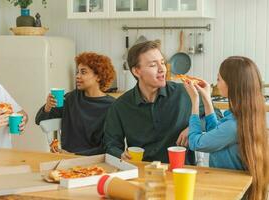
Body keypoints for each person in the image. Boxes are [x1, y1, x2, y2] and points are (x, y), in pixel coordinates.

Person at [103, 40, 214, 163]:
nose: (162, 69)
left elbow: (215, 117)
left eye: (162, 62)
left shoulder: (186, 93)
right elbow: (111, 145)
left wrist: (193, 128)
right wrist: (121, 155)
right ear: (136, 71)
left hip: (181, 173)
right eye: (153, 65)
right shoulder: (120, 106)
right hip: (142, 173)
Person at [185, 56, 269, 200]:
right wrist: (207, 99)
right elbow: (216, 133)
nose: (216, 84)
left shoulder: (233, 126)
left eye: (218, 79)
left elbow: (195, 142)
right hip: (234, 188)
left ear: (231, 85)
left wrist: (194, 102)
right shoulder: (245, 117)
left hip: (230, 192)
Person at [35, 52, 116, 155]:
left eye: (83, 72)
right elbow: (39, 120)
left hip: (96, 161)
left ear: (98, 77)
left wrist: (74, 156)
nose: (77, 76)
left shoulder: (112, 106)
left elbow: (108, 147)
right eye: (77, 72)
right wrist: (47, 107)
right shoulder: (71, 98)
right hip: (67, 159)